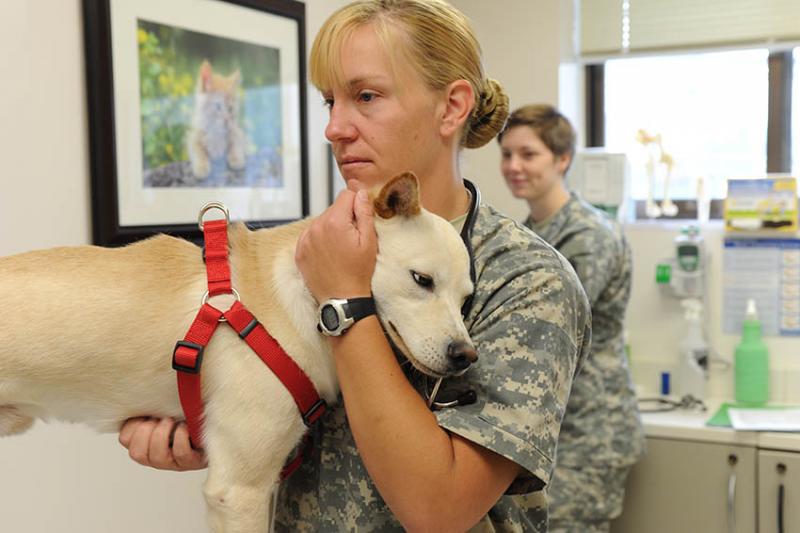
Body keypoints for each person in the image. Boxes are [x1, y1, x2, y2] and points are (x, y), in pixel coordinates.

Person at [119, 2, 591, 530]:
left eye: (366, 96)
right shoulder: (312, 246)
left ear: (452, 106)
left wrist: (344, 301)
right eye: (330, 101)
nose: (335, 128)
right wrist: (208, 432)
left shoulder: (527, 279)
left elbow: (438, 508)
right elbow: (273, 425)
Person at [497, 104, 645, 533]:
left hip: (589, 437)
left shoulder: (588, 236)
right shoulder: (529, 235)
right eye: (507, 154)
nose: (513, 166)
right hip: (549, 434)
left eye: (528, 154)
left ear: (563, 159)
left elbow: (539, 331)